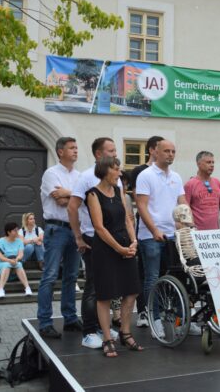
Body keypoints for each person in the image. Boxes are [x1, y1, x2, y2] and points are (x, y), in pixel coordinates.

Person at [69, 137, 130, 348]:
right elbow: (72, 206)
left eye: (115, 151)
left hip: (115, 238)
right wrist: (78, 236)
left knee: (109, 286)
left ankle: (100, 326)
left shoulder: (116, 176)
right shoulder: (86, 177)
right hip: (92, 237)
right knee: (94, 286)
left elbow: (123, 209)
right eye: (111, 151)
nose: (115, 154)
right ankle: (89, 331)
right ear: (98, 155)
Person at [86, 157, 142, 357]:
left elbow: (127, 218)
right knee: (105, 295)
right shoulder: (93, 194)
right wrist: (119, 248)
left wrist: (134, 241)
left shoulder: (118, 190)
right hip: (105, 249)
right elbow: (99, 227)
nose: (120, 173)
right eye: (116, 169)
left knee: (131, 291)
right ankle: (108, 339)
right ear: (104, 170)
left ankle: (126, 333)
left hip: (125, 246)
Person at [135, 139, 187, 338]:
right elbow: (141, 205)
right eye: (166, 151)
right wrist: (154, 230)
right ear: (155, 152)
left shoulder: (176, 176)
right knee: (152, 279)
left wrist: (187, 225)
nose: (170, 154)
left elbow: (182, 204)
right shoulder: (145, 175)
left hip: (174, 235)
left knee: (177, 278)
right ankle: (154, 319)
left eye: (173, 151)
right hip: (151, 237)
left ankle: (180, 320)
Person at [37, 137, 81, 340]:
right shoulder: (50, 173)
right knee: (50, 276)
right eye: (71, 148)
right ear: (60, 151)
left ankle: (70, 318)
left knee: (71, 276)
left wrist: (69, 193)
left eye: (76, 148)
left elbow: (82, 200)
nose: (75, 151)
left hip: (75, 229)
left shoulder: (80, 176)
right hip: (57, 229)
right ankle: (45, 322)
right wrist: (73, 196)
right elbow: (61, 202)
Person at [127, 135, 163, 328]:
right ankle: (143, 311)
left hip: (165, 231)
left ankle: (162, 309)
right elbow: (138, 200)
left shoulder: (168, 174)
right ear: (152, 150)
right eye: (162, 149)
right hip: (147, 228)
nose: (167, 153)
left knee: (160, 272)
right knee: (146, 273)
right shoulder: (141, 171)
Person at [184, 151, 220, 231]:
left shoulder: (217, 183)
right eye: (208, 162)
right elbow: (185, 210)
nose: (212, 165)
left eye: (213, 162)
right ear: (198, 164)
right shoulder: (190, 184)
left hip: (215, 232)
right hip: (198, 232)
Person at [0, 222, 32, 298]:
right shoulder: (0, 241)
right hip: (2, 262)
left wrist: (16, 259)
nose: (17, 232)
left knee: (19, 264)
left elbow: (21, 254)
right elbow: (0, 256)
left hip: (15, 261)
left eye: (17, 230)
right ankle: (1, 289)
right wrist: (9, 260)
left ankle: (27, 288)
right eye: (15, 230)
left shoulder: (19, 241)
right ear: (8, 232)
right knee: (6, 264)